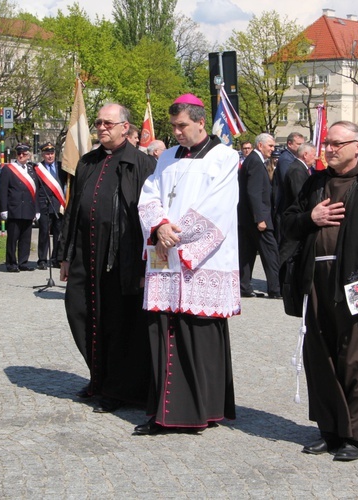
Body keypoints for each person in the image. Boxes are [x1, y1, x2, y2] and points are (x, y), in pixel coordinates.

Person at [283, 120, 358, 461]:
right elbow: (288, 223)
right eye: (327, 143)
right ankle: (329, 428)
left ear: (357, 146)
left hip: (355, 282)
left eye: (337, 143)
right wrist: (311, 217)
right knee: (319, 357)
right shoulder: (315, 182)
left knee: (355, 359)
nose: (329, 149)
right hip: (316, 279)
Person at [134, 93, 239, 435]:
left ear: (200, 122)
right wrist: (159, 226)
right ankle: (164, 413)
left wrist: (179, 237)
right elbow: (148, 195)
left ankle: (202, 410)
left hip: (202, 259)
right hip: (165, 258)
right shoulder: (165, 157)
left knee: (198, 334)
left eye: (183, 126)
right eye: (174, 126)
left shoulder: (224, 157)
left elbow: (220, 207)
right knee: (162, 330)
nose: (177, 132)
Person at [59, 102, 155, 413]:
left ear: (125, 128)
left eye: (108, 123)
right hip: (85, 254)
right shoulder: (88, 162)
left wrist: (147, 264)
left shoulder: (141, 164)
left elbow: (150, 217)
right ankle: (98, 376)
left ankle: (118, 388)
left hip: (122, 256)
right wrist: (65, 253)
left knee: (116, 322)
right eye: (98, 122)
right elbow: (74, 211)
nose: (101, 127)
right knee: (80, 312)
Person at [238, 133, 281, 298]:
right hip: (257, 218)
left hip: (248, 218)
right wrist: (261, 218)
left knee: (247, 253)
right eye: (270, 146)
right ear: (260, 145)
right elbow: (254, 192)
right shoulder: (255, 162)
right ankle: (275, 289)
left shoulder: (252, 161)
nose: (273, 149)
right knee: (270, 252)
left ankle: (244, 286)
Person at [0, 143, 39, 272]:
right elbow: (3, 190)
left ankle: (23, 262)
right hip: (14, 208)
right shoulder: (9, 169)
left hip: (28, 208)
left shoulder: (32, 170)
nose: (21, 156)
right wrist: (3, 209)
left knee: (25, 238)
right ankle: (11, 263)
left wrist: (37, 209)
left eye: (24, 154)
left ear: (29, 155)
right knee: (13, 238)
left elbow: (36, 191)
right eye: (19, 153)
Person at [35, 142, 66, 270]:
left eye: (52, 153)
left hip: (59, 205)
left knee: (58, 233)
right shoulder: (38, 168)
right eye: (47, 153)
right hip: (44, 205)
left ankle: (55, 258)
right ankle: (42, 259)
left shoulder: (61, 167)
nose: (50, 156)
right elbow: (36, 189)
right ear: (43, 154)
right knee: (44, 233)